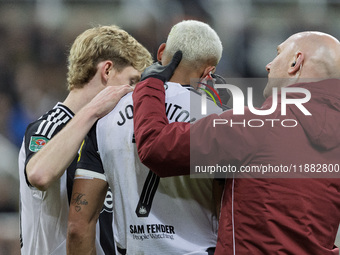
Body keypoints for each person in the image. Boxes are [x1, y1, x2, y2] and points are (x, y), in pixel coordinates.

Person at [132, 31, 340, 254]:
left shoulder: (253, 125)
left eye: (278, 54)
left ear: (295, 62)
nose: (269, 65)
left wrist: (150, 85)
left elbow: (156, 148)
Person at [67, 20, 225, 255]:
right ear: (209, 72)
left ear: (161, 53)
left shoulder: (106, 117)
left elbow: (78, 228)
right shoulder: (217, 121)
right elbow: (228, 213)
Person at [18, 25, 152, 255]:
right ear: (107, 71)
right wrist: (93, 110)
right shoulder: (51, 125)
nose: (134, 93)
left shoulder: (107, 135)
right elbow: (39, 174)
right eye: (132, 81)